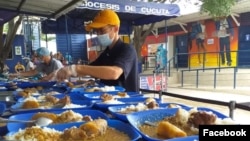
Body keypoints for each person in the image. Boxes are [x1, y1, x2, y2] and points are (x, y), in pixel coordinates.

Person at [55, 9, 139, 92]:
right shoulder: (106, 53)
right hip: (107, 99)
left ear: (116, 29)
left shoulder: (127, 49)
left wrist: (76, 68)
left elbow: (114, 73)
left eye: (102, 30)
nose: (99, 34)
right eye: (97, 31)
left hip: (126, 102)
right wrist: (61, 72)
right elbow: (89, 69)